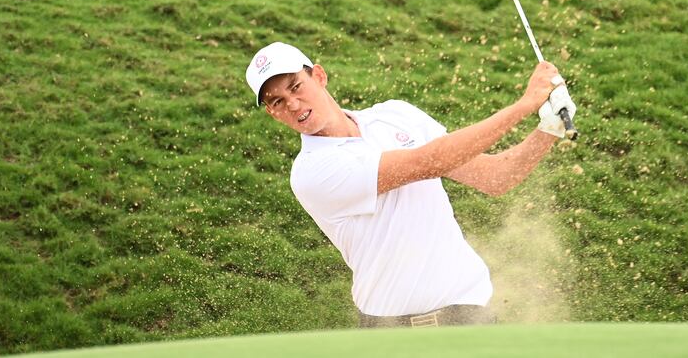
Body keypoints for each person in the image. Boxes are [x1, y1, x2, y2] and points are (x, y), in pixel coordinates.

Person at [245, 41, 576, 328]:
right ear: (273, 114)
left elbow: (495, 178)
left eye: (295, 86)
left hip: (469, 316)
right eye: (276, 101)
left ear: (318, 75)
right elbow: (428, 162)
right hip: (390, 332)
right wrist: (524, 104)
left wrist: (548, 128)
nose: (292, 104)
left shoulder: (395, 115)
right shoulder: (313, 172)